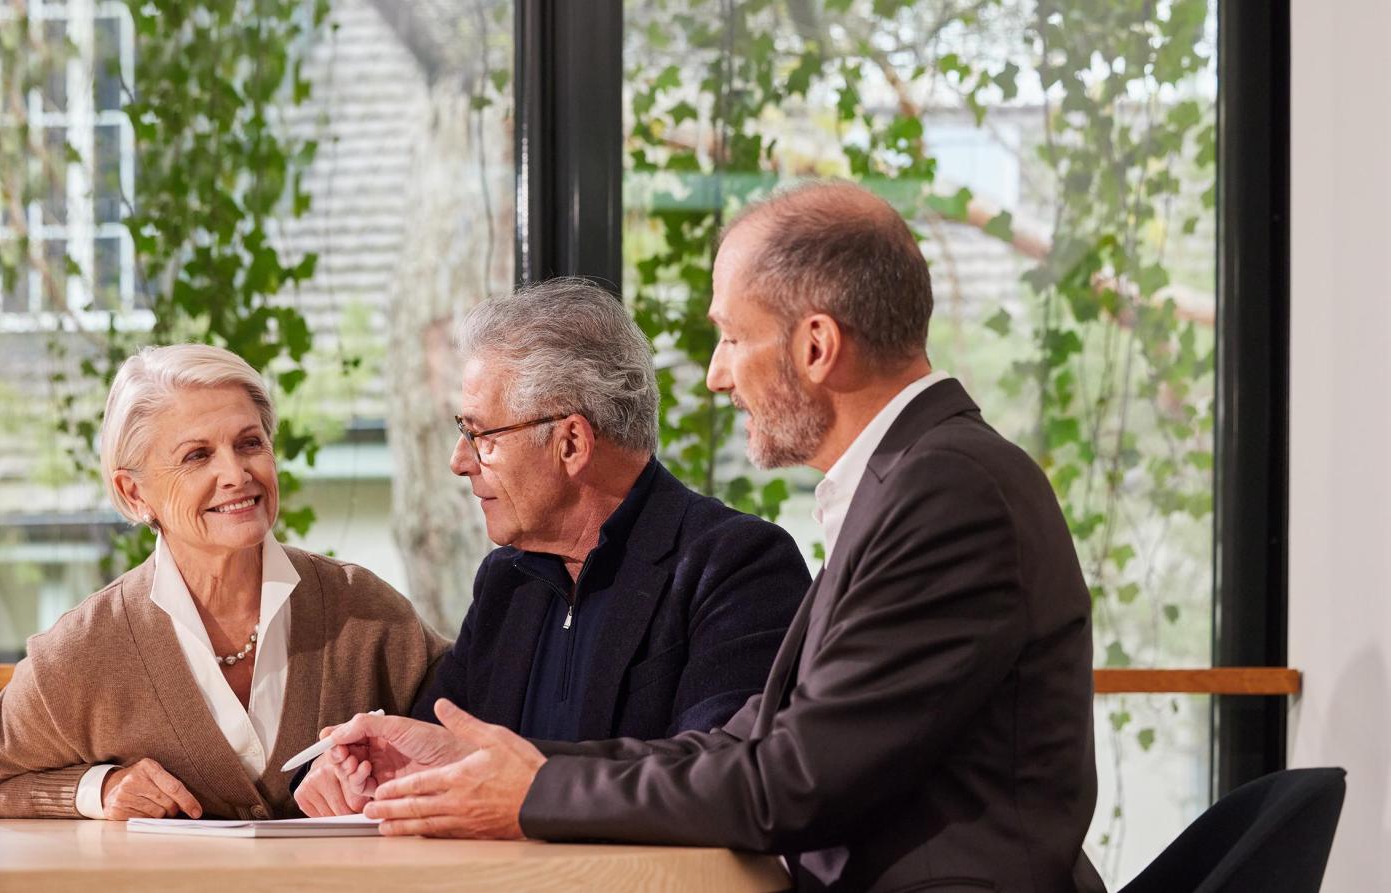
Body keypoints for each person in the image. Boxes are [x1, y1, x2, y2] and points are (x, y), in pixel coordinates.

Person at [319, 183, 1105, 892]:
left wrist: (532, 791)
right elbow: (753, 743)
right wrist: (497, 768)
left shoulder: (948, 493)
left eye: (732, 337)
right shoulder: (915, 481)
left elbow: (792, 782)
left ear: (817, 345)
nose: (715, 376)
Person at [294, 278, 809, 815]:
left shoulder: (736, 566)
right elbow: (435, 748)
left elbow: (722, 775)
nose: (459, 460)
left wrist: (518, 778)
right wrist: (371, 770)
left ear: (571, 442)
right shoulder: (505, 581)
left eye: (481, 435)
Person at [0, 344, 447, 821]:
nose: (236, 474)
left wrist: (387, 763)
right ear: (133, 493)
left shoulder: (365, 611)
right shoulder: (81, 650)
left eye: (249, 443)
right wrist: (101, 788)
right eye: (197, 455)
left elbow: (468, 726)